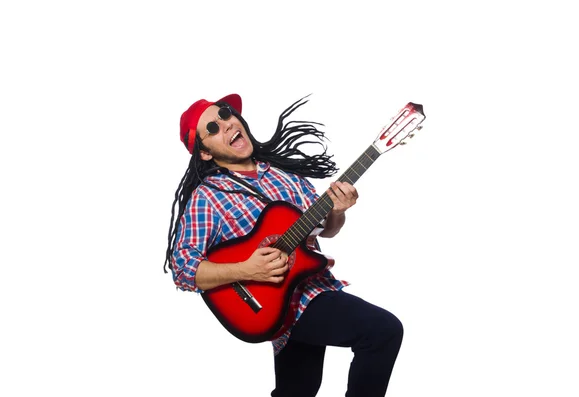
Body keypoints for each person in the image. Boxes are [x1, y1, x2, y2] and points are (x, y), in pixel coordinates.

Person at [164, 93, 403, 397]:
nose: (225, 124)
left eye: (225, 114)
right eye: (211, 129)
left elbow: (322, 231)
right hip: (288, 302)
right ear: (206, 153)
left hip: (304, 291)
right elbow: (183, 268)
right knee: (382, 331)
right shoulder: (208, 197)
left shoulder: (285, 174)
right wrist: (247, 269)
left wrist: (337, 212)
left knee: (297, 389)